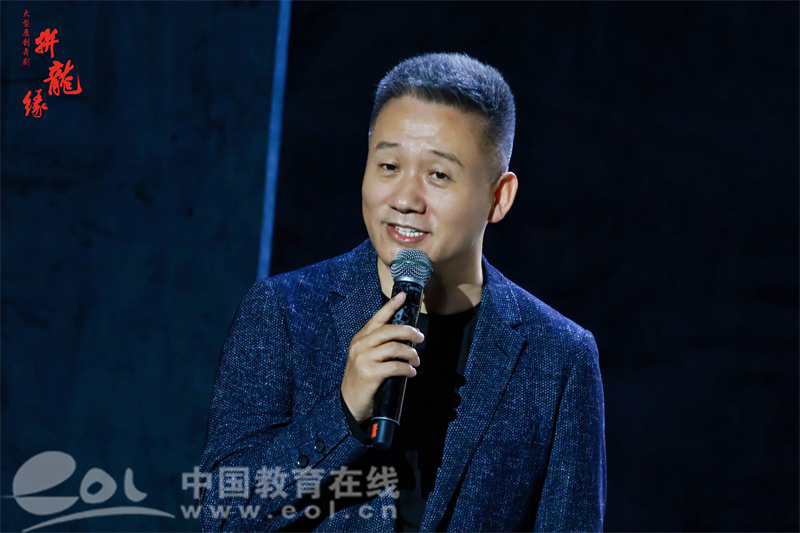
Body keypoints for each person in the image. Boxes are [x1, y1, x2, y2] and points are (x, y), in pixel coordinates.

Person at [199, 52, 606, 532]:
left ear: (499, 197)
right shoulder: (284, 312)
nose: (405, 199)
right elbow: (221, 517)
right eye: (389, 165)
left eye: (438, 175)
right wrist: (342, 413)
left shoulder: (558, 357)